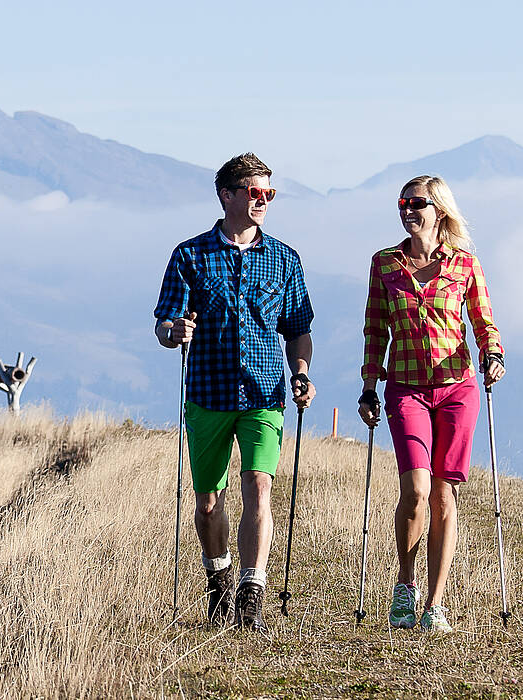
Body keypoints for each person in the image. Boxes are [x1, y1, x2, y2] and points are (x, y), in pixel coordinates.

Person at [154, 153, 316, 631]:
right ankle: (218, 575)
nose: (263, 200)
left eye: (269, 193)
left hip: (265, 393)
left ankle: (252, 590)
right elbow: (163, 324)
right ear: (227, 195)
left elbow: (298, 330)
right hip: (207, 394)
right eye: (254, 192)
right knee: (208, 502)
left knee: (259, 486)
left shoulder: (285, 259)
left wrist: (301, 372)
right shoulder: (190, 255)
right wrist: (173, 331)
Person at [359, 175, 505, 634]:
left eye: (416, 203)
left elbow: (483, 319)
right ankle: (405, 585)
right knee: (416, 489)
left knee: (445, 493)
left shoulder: (464, 264)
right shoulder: (384, 264)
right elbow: (375, 329)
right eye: (402, 203)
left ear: (438, 209)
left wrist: (493, 353)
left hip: (456, 387)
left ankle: (435, 604)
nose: (407, 210)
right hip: (405, 388)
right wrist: (368, 384)